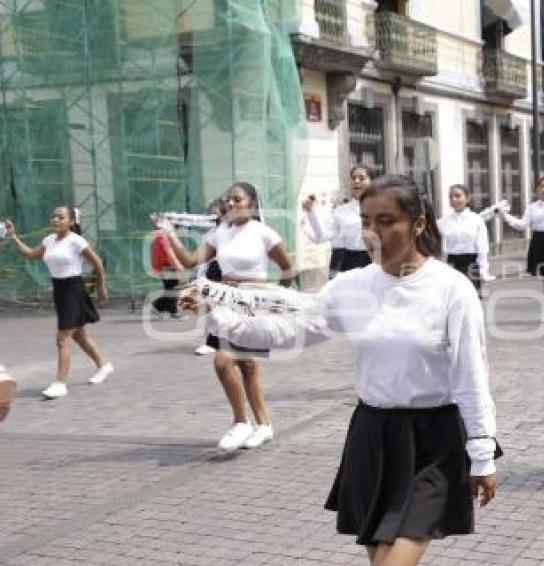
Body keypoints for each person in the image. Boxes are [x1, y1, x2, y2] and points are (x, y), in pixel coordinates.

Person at [183, 175, 499, 566]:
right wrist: (216, 317)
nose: (371, 232)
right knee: (380, 557)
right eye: (366, 221)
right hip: (372, 435)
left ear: (417, 224)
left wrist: (483, 454)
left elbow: (472, 377)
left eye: (386, 221)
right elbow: (289, 332)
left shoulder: (452, 289)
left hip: (432, 441)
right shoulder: (350, 286)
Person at [153, 182, 295, 451]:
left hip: (253, 300)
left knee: (224, 361)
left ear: (252, 205)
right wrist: (169, 233)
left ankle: (241, 422)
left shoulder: (264, 233)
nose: (230, 204)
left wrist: (273, 299)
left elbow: (288, 269)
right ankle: (263, 425)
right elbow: (190, 261)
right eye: (228, 199)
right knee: (246, 365)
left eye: (237, 199)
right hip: (225, 299)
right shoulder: (219, 234)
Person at [4, 207, 113, 399]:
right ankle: (104, 365)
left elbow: (97, 263)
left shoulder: (76, 241)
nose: (55, 219)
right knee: (78, 336)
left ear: (71, 221)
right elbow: (30, 254)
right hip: (60, 291)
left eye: (61, 217)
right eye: (53, 216)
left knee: (62, 338)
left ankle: (60, 383)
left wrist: (102, 287)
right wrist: (13, 236)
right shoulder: (49, 241)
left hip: (74, 290)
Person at [497, 176, 544, 322]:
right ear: (537, 189)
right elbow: (521, 225)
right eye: (541, 187)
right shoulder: (532, 207)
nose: (543, 190)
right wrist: (504, 215)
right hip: (539, 241)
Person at [302, 165, 373, 278]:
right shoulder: (341, 211)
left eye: (361, 178)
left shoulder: (383, 208)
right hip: (349, 264)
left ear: (372, 182)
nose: (356, 181)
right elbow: (321, 236)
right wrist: (311, 213)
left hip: (376, 264)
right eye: (353, 178)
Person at [438, 184, 490, 296]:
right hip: (452, 262)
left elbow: (482, 247)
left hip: (471, 263)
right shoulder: (444, 221)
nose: (454, 199)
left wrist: (483, 270)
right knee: (452, 298)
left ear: (467, 198)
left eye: (457, 196)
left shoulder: (476, 220)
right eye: (451, 197)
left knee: (470, 300)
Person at [194, 198, 227, 356]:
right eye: (210, 214)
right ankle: (212, 341)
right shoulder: (209, 234)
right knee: (211, 307)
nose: (212, 217)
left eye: (215, 214)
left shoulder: (229, 231)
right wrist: (199, 276)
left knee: (219, 307)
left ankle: (213, 342)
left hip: (223, 270)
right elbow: (202, 258)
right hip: (211, 270)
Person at [150, 223, 184, 320]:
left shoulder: (159, 236)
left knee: (171, 288)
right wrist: (177, 266)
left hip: (164, 267)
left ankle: (169, 310)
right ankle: (159, 305)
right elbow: (169, 254)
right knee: (173, 289)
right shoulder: (163, 237)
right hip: (167, 266)